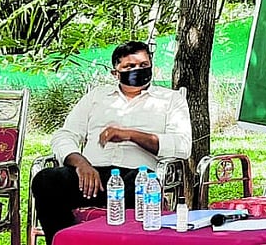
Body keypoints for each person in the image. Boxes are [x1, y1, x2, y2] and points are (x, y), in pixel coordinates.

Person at [31, 41, 192, 244]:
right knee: (46, 179)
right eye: (129, 67)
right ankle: (66, 240)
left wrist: (130, 135)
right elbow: (64, 135)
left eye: (143, 65)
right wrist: (81, 164)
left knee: (141, 184)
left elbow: (183, 146)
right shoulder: (96, 97)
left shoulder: (171, 99)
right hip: (91, 176)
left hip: (137, 176)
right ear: (115, 73)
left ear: (152, 66)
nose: (137, 70)